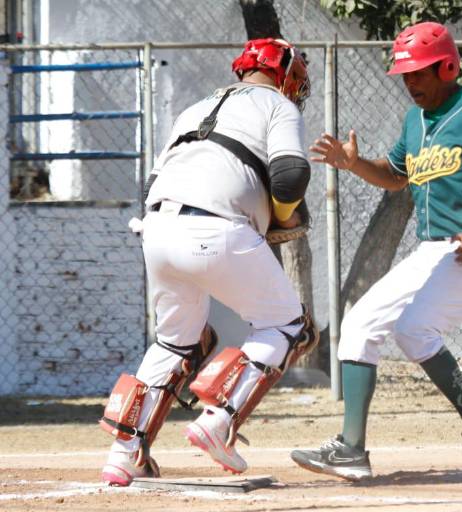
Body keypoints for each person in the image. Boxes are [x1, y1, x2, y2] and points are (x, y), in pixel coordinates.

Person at [290, 21, 462, 482]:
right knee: (359, 325)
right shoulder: (414, 120)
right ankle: (350, 450)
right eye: (405, 74)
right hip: (433, 250)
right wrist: (354, 163)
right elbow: (396, 175)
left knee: (415, 330)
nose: (410, 82)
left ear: (447, 66)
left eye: (419, 72)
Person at [99, 38, 318, 487]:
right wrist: (278, 215)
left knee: (177, 342)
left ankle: (124, 454)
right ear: (287, 75)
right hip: (217, 227)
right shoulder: (279, 106)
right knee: (289, 325)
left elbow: (153, 183)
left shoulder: (195, 106)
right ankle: (218, 420)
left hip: (157, 228)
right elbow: (291, 175)